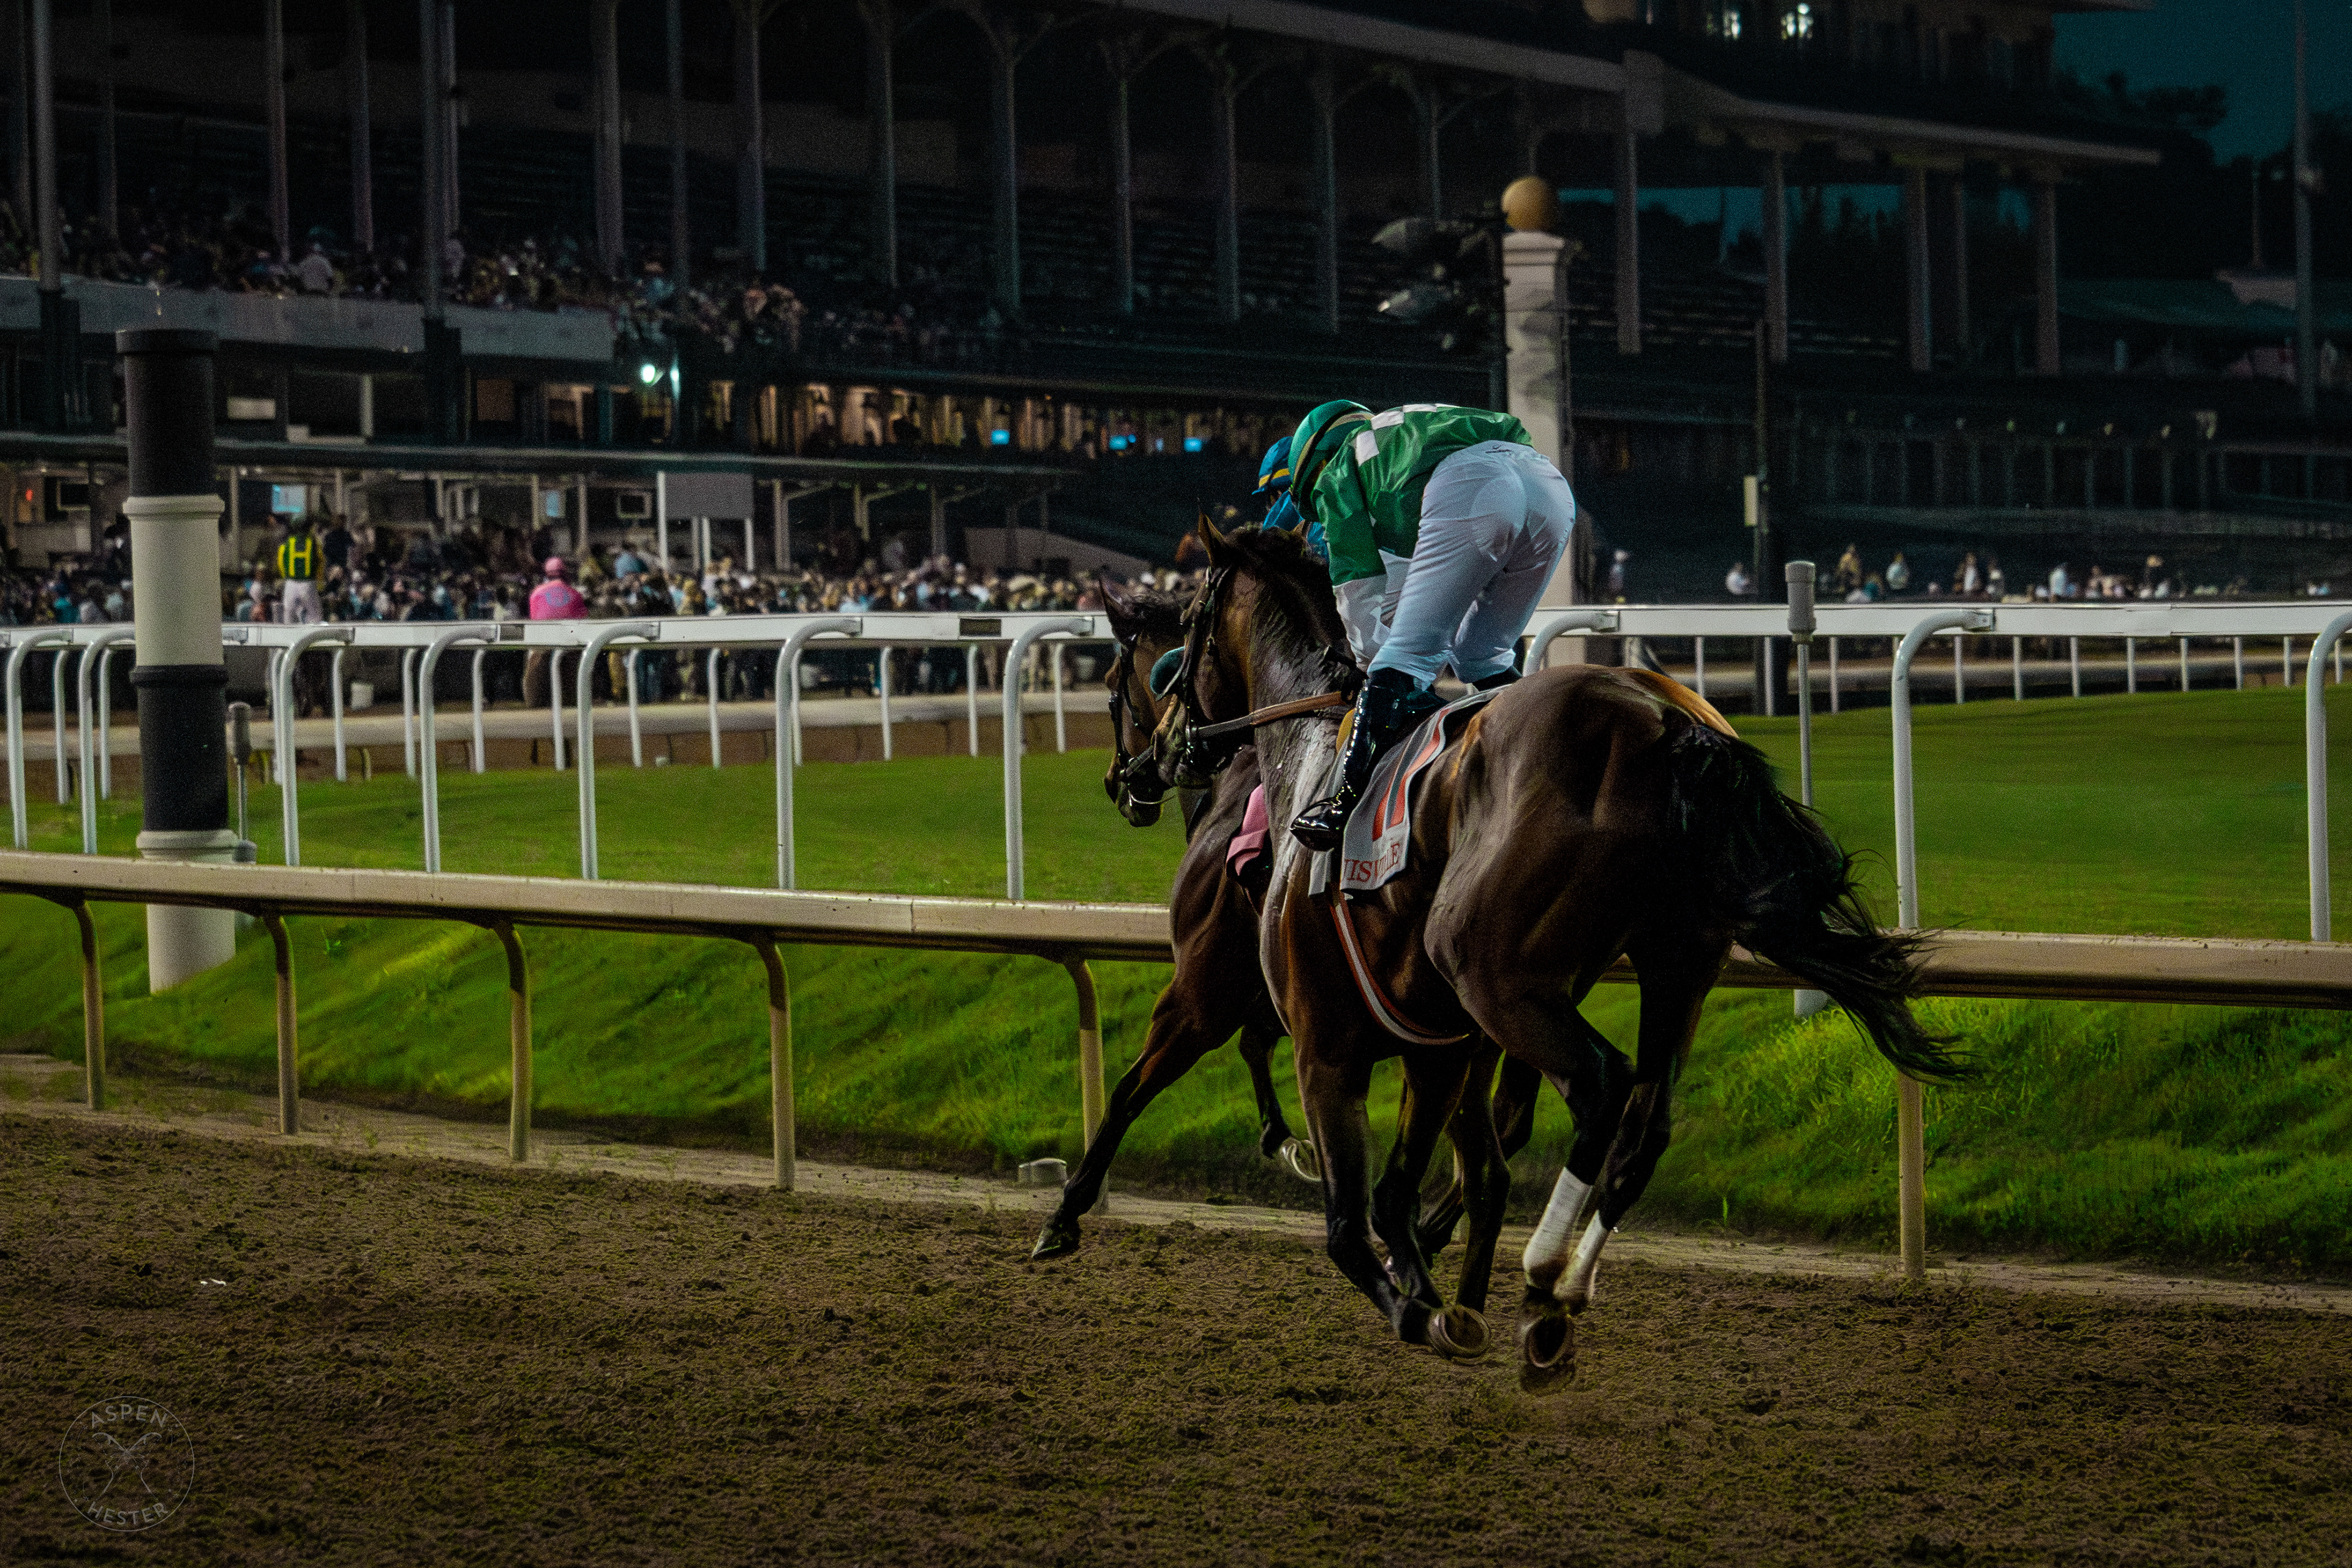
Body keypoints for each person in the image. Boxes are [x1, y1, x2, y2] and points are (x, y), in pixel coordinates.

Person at [1282, 399, 1574, 851]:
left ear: (1315, 464)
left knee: (1406, 655)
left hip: (1475, 487)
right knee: (1482, 652)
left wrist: (1374, 668)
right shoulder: (1399, 443)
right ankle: (1543, 759)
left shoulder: (1337, 472)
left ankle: (1340, 805)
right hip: (1549, 486)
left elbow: (1357, 587)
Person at [524, 556, 588, 707]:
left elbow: (535, 618)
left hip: (543, 638)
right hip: (570, 639)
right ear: (565, 574)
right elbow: (583, 618)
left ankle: (534, 701)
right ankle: (572, 699)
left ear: (546, 574)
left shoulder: (536, 593)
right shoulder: (575, 594)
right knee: (574, 664)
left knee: (534, 662)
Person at [276, 513, 324, 624]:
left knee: (288, 614)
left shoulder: (287, 543)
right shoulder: (314, 543)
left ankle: (289, 638)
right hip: (308, 583)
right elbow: (320, 561)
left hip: (290, 583)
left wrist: (286, 577)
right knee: (315, 615)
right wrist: (320, 582)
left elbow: (281, 562)